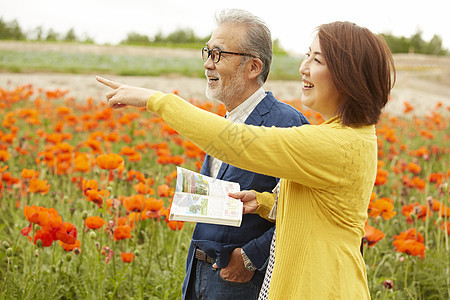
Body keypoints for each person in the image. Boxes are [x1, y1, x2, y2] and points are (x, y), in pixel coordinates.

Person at [97, 20, 395, 299]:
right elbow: (322, 210)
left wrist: (157, 100)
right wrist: (266, 203)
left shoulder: (338, 144)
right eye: (307, 56)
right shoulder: (344, 136)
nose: (303, 67)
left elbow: (238, 144)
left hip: (320, 286)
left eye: (317, 60)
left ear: (349, 75)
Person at [100, 8, 308, 299]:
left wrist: (250, 257)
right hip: (199, 270)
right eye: (207, 52)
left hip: (242, 280)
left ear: (253, 67)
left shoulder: (287, 123)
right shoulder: (226, 121)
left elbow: (305, 213)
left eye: (219, 54)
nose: (208, 64)